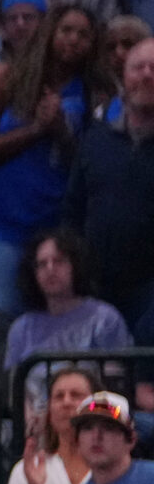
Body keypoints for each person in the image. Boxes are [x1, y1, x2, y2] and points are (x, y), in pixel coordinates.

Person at [0, 2, 102, 312]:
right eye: (66, 30)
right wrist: (36, 130)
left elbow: (92, 168)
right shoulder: (5, 78)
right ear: (48, 31)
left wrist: (60, 132)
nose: (74, 40)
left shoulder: (94, 92)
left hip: (60, 234)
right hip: (4, 228)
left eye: (84, 34)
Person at [63, 36, 154, 337]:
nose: (146, 75)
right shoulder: (95, 140)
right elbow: (74, 209)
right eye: (138, 67)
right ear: (123, 79)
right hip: (98, 284)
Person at [9, 230, 132, 399]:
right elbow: (16, 392)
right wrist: (31, 419)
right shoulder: (21, 328)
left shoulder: (105, 318)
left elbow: (116, 387)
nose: (50, 269)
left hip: (92, 417)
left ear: (76, 265)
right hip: (36, 420)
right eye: (42, 264)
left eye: (58, 261)